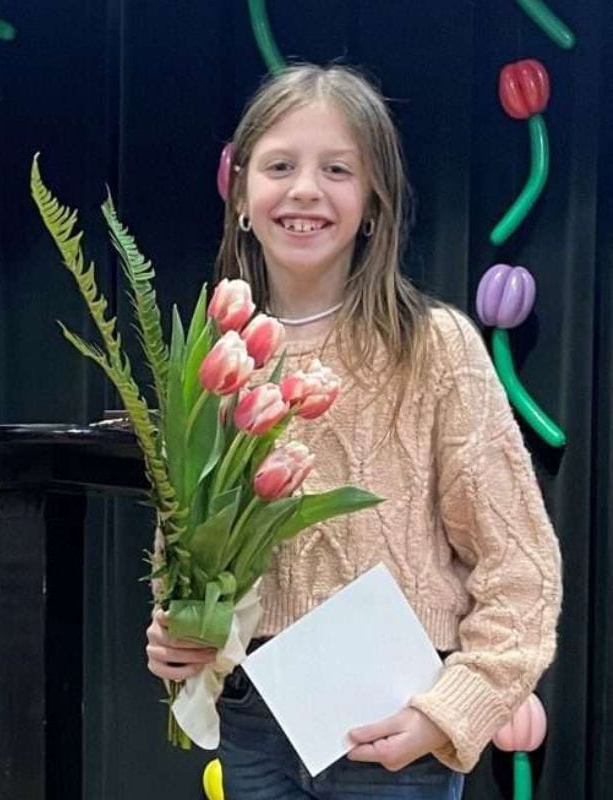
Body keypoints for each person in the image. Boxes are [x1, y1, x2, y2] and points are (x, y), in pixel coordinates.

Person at [145, 64, 562, 798]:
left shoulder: (433, 348)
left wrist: (449, 712)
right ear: (240, 197)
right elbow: (182, 549)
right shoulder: (216, 359)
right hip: (252, 722)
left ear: (373, 204)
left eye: (337, 170)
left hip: (396, 732)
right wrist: (178, 634)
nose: (306, 189)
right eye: (280, 166)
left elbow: (521, 569)